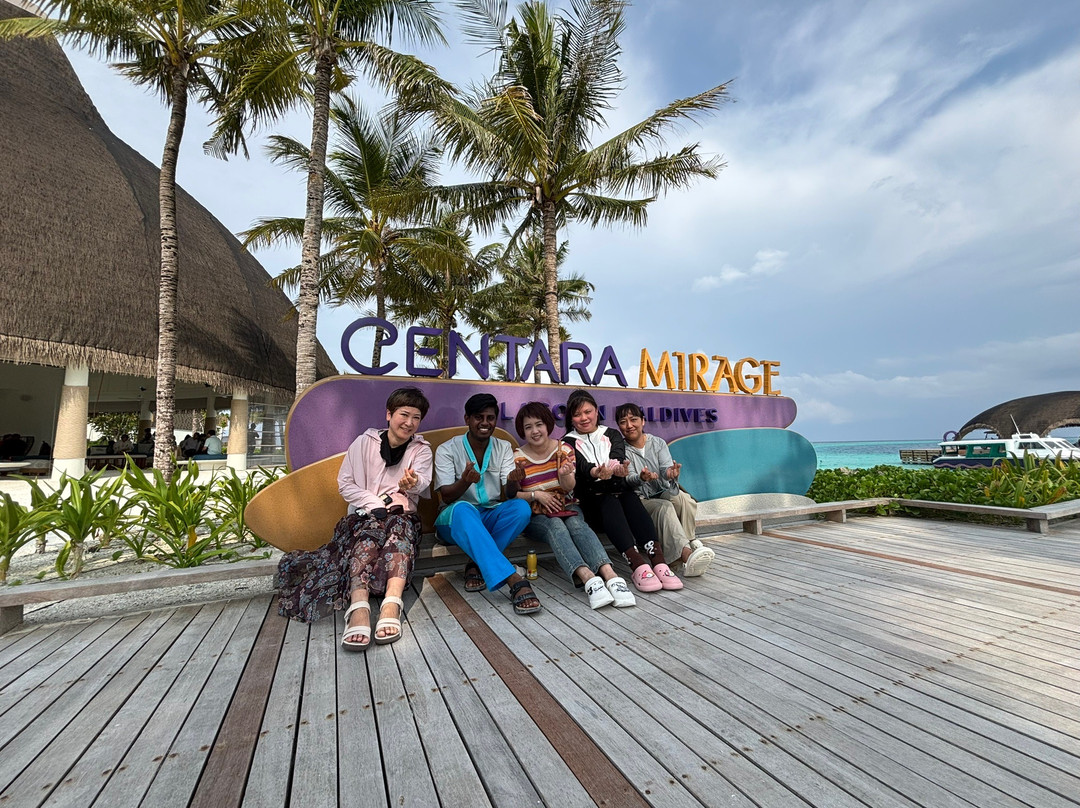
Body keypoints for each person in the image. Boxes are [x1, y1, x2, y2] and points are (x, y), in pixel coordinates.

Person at [277, 387, 434, 651]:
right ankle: (358, 607)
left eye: (416, 417)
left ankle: (391, 604)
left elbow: (422, 481)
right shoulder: (364, 443)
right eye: (404, 414)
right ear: (389, 414)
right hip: (364, 515)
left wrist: (413, 482)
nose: (409, 423)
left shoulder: (420, 450)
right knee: (367, 539)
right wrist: (373, 504)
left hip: (401, 515)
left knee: (399, 535)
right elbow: (345, 483)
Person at [512, 402, 635, 609]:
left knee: (577, 525)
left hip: (567, 505)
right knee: (556, 527)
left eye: (539, 424)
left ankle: (611, 577)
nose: (535, 431)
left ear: (548, 425)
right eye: (528, 427)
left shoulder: (564, 449)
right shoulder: (517, 457)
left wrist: (565, 475)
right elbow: (510, 494)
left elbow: (570, 488)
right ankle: (589, 580)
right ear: (522, 431)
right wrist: (537, 495)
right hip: (536, 515)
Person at [562, 389, 680, 592]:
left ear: (597, 411)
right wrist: (595, 472)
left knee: (629, 498)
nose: (584, 418)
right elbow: (580, 466)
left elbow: (617, 454)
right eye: (577, 414)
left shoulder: (611, 434)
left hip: (618, 492)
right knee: (608, 500)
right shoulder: (567, 442)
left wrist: (616, 468)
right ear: (571, 418)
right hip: (592, 503)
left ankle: (658, 561)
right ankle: (637, 563)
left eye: (588, 412)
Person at [434, 393, 538, 615]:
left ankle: (476, 565)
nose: (484, 423)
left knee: (521, 508)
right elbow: (446, 496)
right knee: (463, 509)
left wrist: (513, 481)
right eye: (478, 417)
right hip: (453, 520)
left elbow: (510, 495)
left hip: (488, 515)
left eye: (490, 418)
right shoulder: (447, 449)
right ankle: (513, 579)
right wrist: (464, 481)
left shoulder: (502, 448)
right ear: (467, 419)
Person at [615, 402, 715, 577]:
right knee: (664, 507)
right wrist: (641, 478)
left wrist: (670, 473)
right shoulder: (622, 449)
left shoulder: (658, 443)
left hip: (661, 490)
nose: (629, 425)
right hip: (641, 500)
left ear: (643, 421)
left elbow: (665, 469)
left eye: (633, 419)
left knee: (683, 498)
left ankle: (690, 541)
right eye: (623, 422)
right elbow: (629, 478)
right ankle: (686, 555)